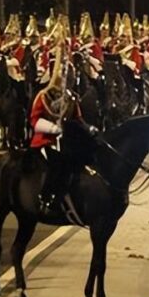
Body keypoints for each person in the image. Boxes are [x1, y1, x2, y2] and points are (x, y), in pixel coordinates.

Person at [31, 39, 98, 219]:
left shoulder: (70, 97)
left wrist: (89, 129)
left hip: (66, 141)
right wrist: (54, 129)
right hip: (46, 139)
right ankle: (46, 198)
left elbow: (78, 119)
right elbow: (34, 121)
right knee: (57, 164)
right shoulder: (43, 96)